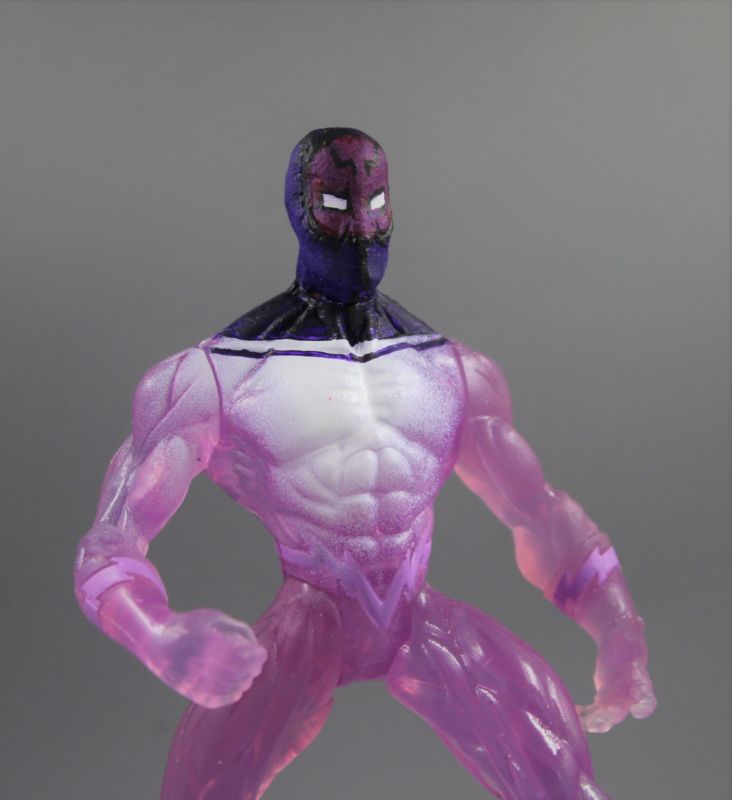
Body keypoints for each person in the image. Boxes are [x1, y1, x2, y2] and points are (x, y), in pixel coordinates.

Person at [74, 128, 656, 800]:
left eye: (376, 203)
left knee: (564, 782)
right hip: (306, 626)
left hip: (420, 620)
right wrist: (158, 636)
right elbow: (109, 545)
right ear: (298, 210)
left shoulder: (451, 372)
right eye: (334, 203)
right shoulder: (218, 378)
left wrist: (620, 628)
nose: (360, 227)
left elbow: (540, 513)